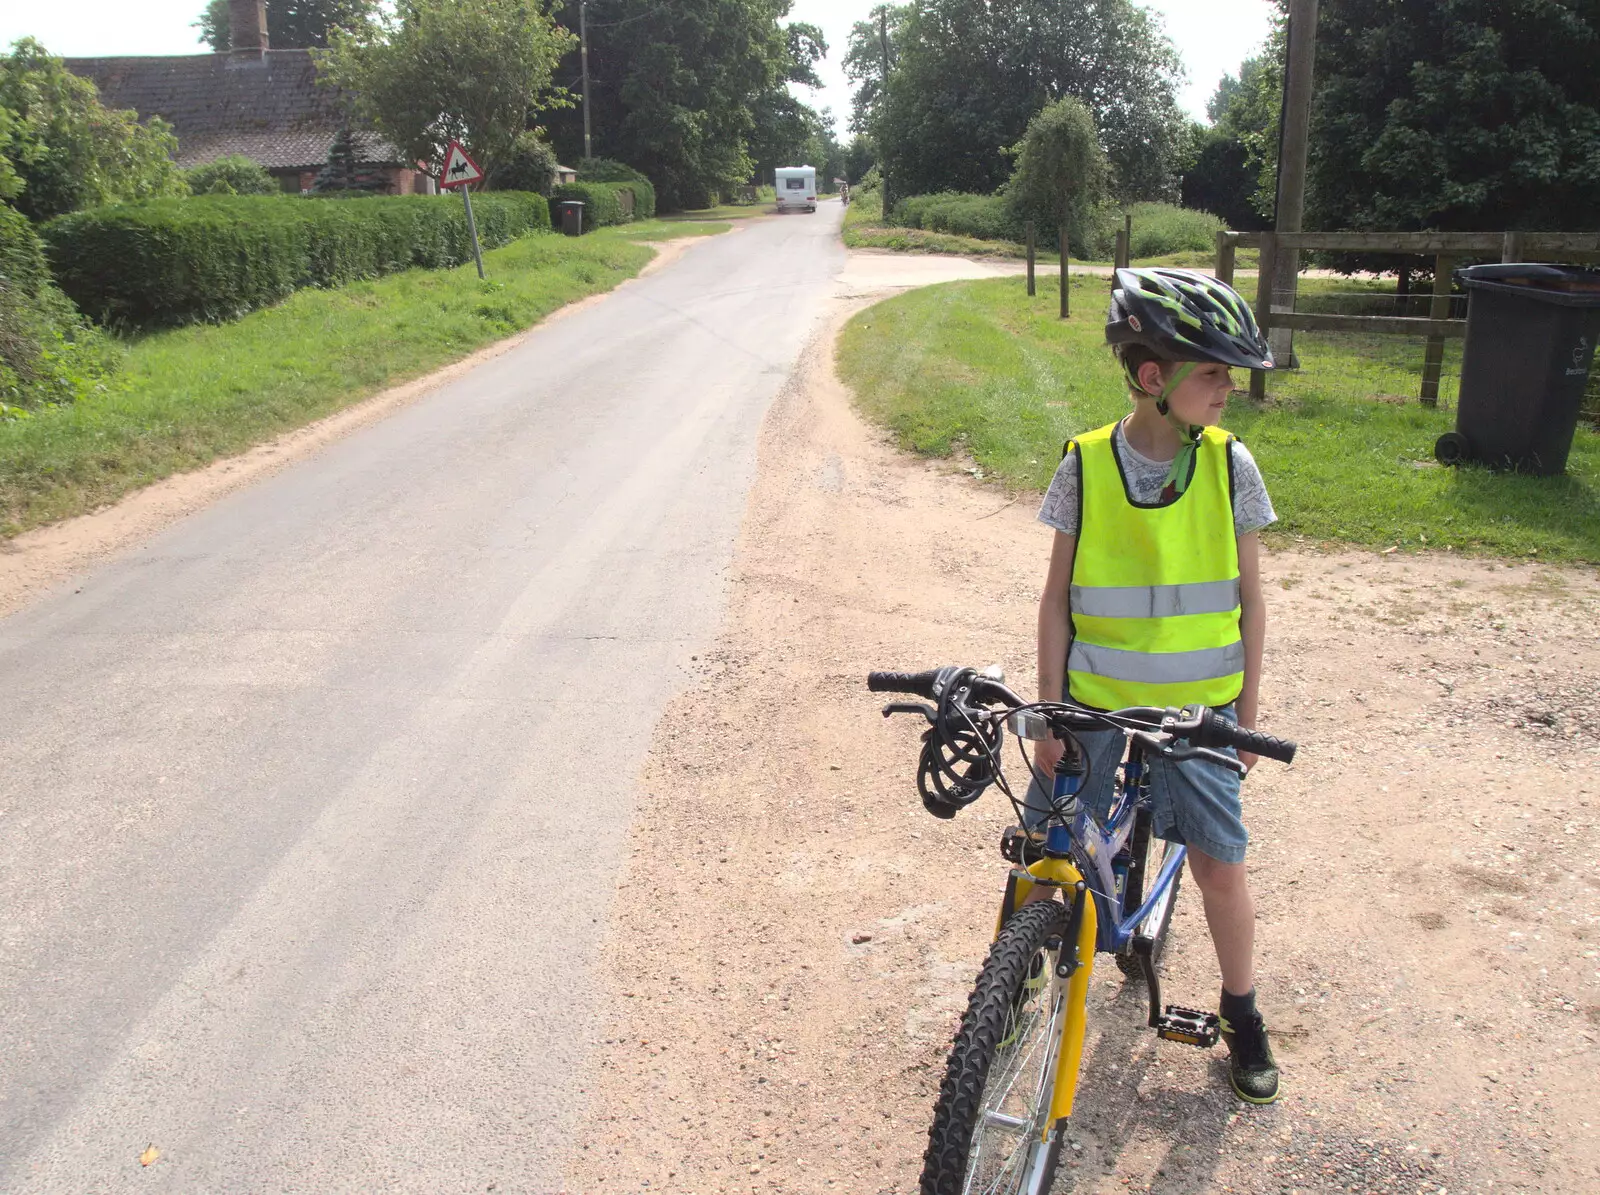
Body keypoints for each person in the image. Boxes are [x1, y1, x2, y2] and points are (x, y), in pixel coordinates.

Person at [1027, 267, 1282, 1104]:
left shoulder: (1231, 465)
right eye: (1213, 370)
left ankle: (1241, 1009)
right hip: (1094, 701)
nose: (1229, 388)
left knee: (1219, 868)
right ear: (1152, 378)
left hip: (1198, 712)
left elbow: (1250, 600)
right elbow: (1057, 601)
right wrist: (1048, 710)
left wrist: (1244, 720)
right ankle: (1019, 984)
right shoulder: (1085, 464)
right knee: (1048, 851)